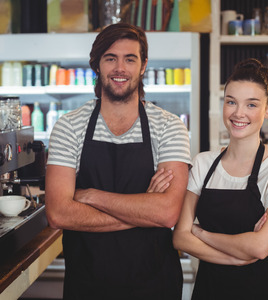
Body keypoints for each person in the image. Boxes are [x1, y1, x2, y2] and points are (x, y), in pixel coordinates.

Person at [45, 23, 191, 300]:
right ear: (97, 65)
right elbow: (58, 214)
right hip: (87, 285)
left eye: (130, 59)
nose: (120, 68)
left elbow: (168, 213)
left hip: (155, 285)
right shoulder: (69, 126)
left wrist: (89, 195)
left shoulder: (169, 127)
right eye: (110, 58)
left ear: (143, 65)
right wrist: (144, 210)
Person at [173, 58, 268, 299]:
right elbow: (181, 238)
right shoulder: (203, 163)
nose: (239, 113)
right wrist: (236, 257)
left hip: (261, 290)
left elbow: (261, 247)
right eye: (231, 102)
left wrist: (202, 234)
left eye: (251, 105)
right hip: (209, 290)